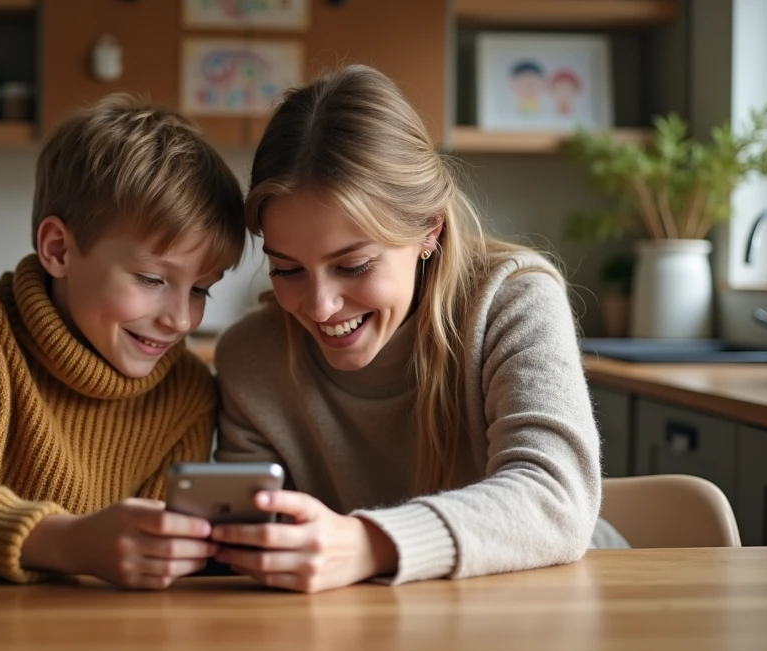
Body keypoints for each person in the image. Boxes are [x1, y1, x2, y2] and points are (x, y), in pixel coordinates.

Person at [212, 65, 625, 594]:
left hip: (562, 606)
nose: (318, 306)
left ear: (428, 229)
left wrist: (369, 544)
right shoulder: (252, 356)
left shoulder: (512, 300)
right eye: (287, 269)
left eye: (354, 265)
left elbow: (554, 499)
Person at [0, 95, 245, 588]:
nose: (182, 319)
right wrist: (67, 541)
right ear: (58, 249)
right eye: (150, 279)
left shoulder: (186, 387)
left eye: (202, 289)